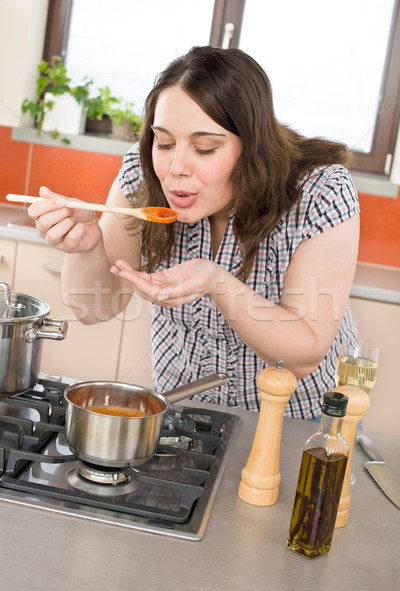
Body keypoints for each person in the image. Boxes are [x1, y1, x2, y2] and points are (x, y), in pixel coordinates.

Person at [28, 46, 360, 419]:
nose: (175, 168)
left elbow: (304, 353)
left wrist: (217, 282)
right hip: (182, 419)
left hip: (300, 428)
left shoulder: (321, 190)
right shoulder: (143, 173)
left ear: (252, 147)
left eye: (204, 149)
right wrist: (87, 249)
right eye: (164, 143)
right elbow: (94, 308)